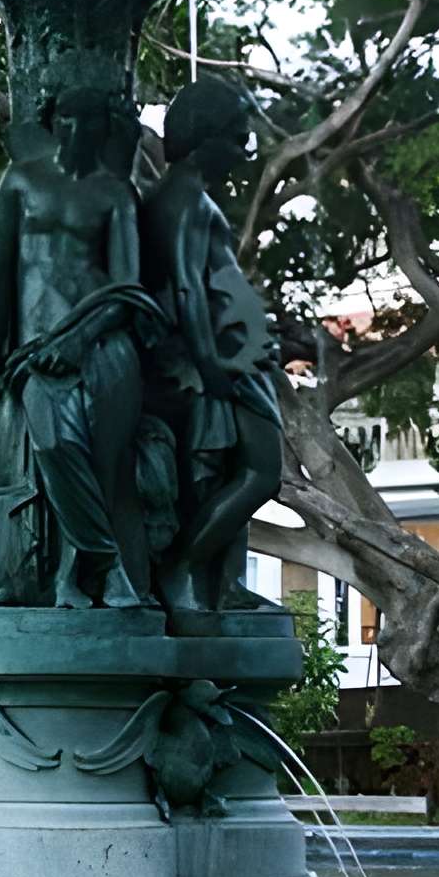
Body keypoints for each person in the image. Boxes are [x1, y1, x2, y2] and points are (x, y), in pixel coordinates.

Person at [0, 79, 155, 608]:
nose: (78, 130)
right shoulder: (19, 182)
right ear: (50, 121)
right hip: (38, 351)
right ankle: (109, 567)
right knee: (56, 447)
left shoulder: (115, 192)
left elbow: (129, 288)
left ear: (106, 128)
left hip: (104, 342)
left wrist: (83, 338)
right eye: (67, 118)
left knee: (107, 467)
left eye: (90, 119)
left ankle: (70, 580)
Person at [140, 77, 281, 615]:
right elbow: (186, 288)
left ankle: (223, 585)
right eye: (237, 136)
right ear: (206, 136)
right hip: (220, 361)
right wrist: (213, 364)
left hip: (230, 353)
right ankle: (185, 565)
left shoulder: (180, 196)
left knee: (227, 473)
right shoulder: (186, 199)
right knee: (259, 471)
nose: (245, 150)